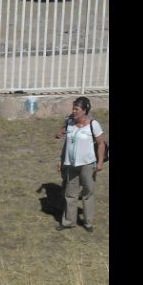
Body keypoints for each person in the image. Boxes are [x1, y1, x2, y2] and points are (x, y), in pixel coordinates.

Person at [57, 97, 106, 232]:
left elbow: (101, 144)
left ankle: (88, 222)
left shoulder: (93, 124)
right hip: (71, 164)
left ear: (85, 110)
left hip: (87, 165)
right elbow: (65, 141)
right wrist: (61, 160)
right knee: (70, 194)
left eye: (76, 109)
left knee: (87, 193)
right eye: (73, 108)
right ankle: (68, 222)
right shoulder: (69, 122)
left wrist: (100, 162)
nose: (73, 111)